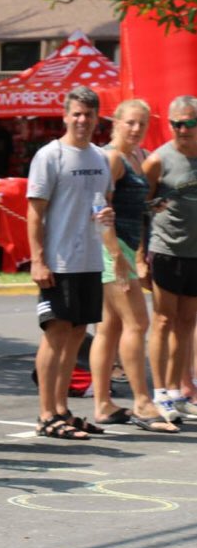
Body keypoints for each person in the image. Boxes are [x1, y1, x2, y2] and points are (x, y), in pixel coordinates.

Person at [27, 86, 118, 441]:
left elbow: (102, 206)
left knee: (77, 336)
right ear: (66, 116)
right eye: (76, 114)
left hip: (89, 260)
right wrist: (38, 260)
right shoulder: (50, 156)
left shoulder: (100, 157)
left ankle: (62, 409)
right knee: (55, 335)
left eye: (89, 114)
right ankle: (46, 413)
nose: (82, 120)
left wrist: (107, 220)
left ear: (97, 119)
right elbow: (34, 214)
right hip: (58, 262)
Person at [87, 99, 178, 432]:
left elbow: (132, 206)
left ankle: (102, 404)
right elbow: (100, 209)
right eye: (130, 123)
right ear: (116, 123)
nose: (136, 129)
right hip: (112, 249)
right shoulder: (111, 158)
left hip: (127, 244)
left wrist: (154, 206)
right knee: (138, 323)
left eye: (142, 123)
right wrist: (116, 255)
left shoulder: (139, 156)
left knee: (109, 328)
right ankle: (142, 402)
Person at [143, 94, 197, 421]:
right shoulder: (158, 161)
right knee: (163, 321)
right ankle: (160, 391)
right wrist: (138, 257)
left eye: (188, 122)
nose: (182, 129)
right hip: (166, 250)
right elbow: (140, 207)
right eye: (176, 123)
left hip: (195, 253)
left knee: (187, 324)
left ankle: (178, 393)